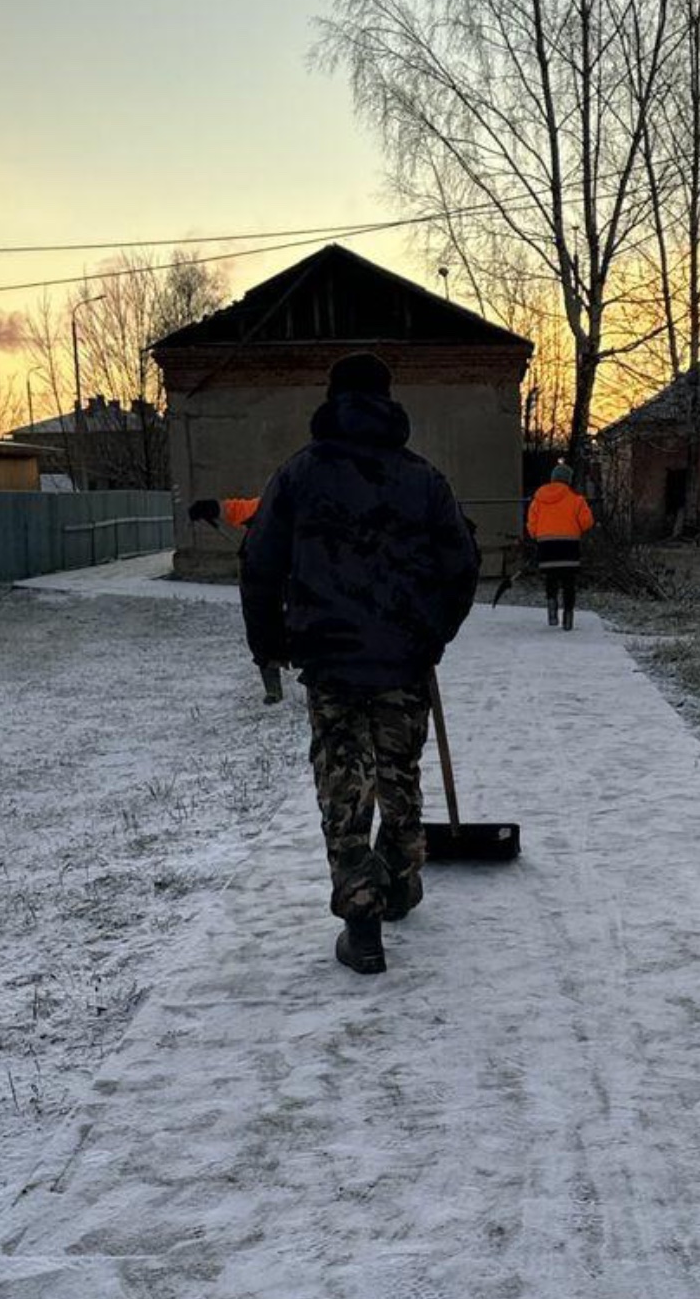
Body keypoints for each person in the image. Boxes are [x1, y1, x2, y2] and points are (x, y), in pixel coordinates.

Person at [239, 352, 481, 975]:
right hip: (403, 660)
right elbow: (462, 565)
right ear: (387, 401)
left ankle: (364, 922)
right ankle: (398, 886)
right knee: (399, 777)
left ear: (333, 399)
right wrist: (431, 635)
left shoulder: (298, 475)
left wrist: (270, 643)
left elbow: (258, 562)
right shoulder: (422, 479)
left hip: (331, 662)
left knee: (346, 788)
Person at [525, 463, 594, 630]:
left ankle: (551, 611)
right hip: (569, 547)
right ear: (568, 480)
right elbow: (587, 523)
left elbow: (531, 525)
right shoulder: (577, 500)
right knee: (569, 583)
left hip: (546, 547)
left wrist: (538, 536)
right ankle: (568, 618)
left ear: (552, 478)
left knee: (551, 579)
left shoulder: (538, 500)